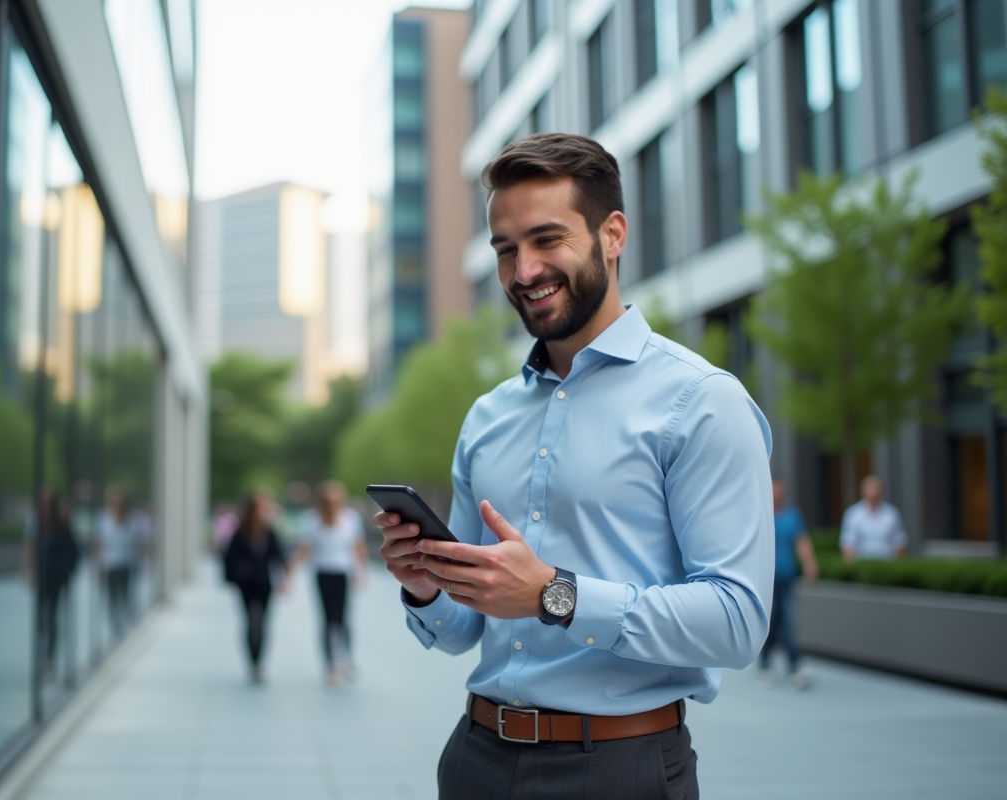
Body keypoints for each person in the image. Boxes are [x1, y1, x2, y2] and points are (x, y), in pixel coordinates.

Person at [374, 133, 773, 800]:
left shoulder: (702, 402)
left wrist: (553, 594)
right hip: (475, 760)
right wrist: (426, 585)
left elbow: (737, 622)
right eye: (506, 249)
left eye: (546, 239)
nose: (524, 270)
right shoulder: (487, 417)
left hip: (618, 768)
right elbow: (464, 630)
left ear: (612, 235)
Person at [287, 480, 368, 686]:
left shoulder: (350, 518)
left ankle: (347, 656)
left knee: (343, 618)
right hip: (323, 572)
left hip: (343, 572)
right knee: (327, 619)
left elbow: (357, 546)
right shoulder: (312, 519)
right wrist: (291, 573)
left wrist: (361, 571)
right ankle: (331, 665)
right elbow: (305, 548)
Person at [759, 478, 818, 689]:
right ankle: (767, 661)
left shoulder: (792, 515)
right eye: (774, 490)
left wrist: (809, 563)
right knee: (773, 623)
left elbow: (801, 540)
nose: (777, 494)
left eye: (780, 490)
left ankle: (794, 665)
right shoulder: (761, 514)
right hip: (766, 581)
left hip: (787, 578)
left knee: (789, 621)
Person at [223, 488, 286, 684]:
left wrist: (283, 579)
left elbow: (278, 556)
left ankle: (259, 662)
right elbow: (229, 559)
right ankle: (252, 661)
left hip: (264, 583)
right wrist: (231, 579)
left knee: (262, 622)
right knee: (250, 622)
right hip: (246, 584)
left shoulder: (268, 532)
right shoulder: (240, 533)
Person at [23, 487, 80, 677]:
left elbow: (72, 551)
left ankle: (49, 658)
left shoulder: (62, 523)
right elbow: (30, 546)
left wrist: (67, 572)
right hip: (42, 575)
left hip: (56, 577)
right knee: (41, 618)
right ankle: (41, 655)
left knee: (52, 616)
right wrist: (27, 570)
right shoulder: (35, 522)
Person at [95, 486, 147, 636]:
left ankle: (125, 624)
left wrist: (140, 562)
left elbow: (138, 544)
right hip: (110, 564)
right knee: (112, 598)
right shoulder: (104, 520)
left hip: (126, 564)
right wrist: (98, 566)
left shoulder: (133, 521)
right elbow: (99, 544)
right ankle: (116, 626)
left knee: (125, 596)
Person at [840, 474, 907, 562]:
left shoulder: (892, 513)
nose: (873, 493)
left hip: (888, 563)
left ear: (882, 491)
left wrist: (897, 566)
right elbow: (847, 543)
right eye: (870, 489)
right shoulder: (853, 514)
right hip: (862, 564)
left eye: (876, 489)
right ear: (863, 491)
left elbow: (900, 541)